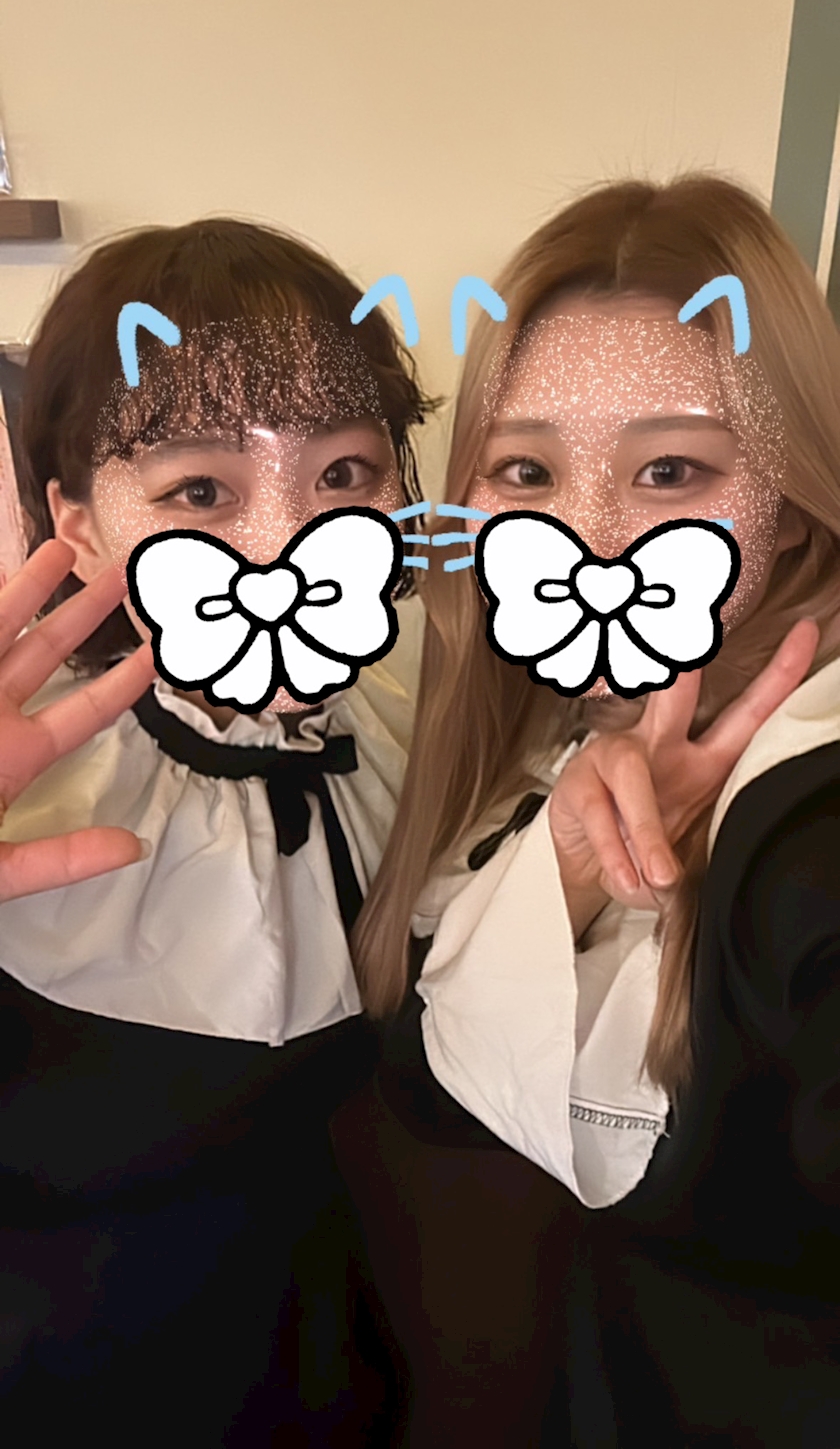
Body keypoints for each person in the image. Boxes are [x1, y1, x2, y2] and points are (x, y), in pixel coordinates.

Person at [331, 175, 840, 1447]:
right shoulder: (525, 718)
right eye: (529, 469)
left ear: (792, 510)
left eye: (670, 470)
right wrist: (563, 862)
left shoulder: (804, 811)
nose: (590, 538)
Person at [0, 217, 432, 1446]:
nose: (285, 549)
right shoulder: (26, 780)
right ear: (79, 523)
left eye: (344, 475)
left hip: (324, 1370)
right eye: (201, 490)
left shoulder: (411, 728)